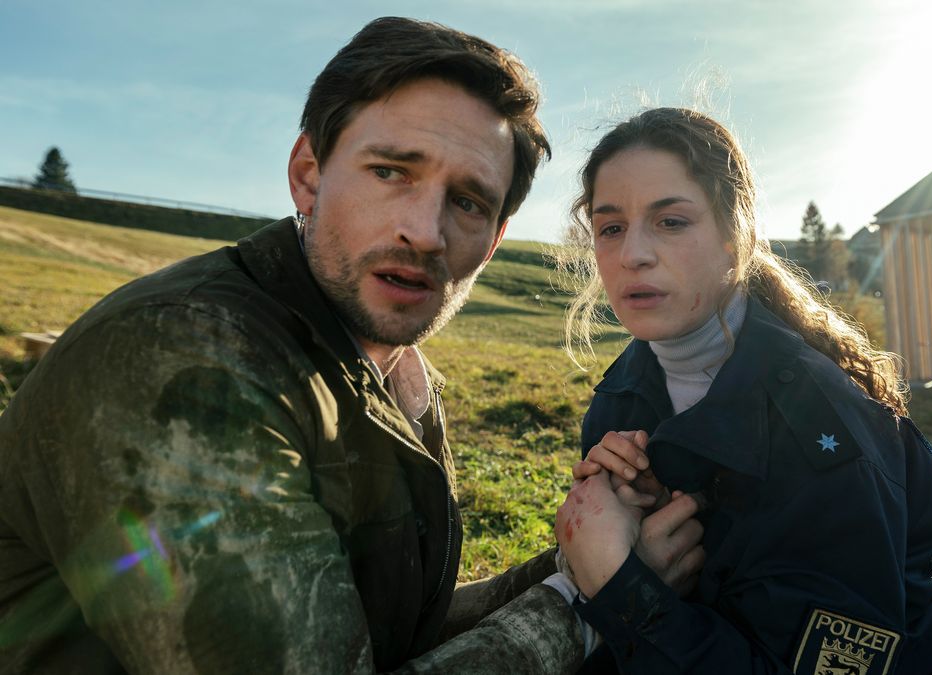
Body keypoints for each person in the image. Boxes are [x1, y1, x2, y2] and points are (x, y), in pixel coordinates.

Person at [0, 18, 702, 674]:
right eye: (391, 171)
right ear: (308, 173)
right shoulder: (182, 363)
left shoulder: (395, 369)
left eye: (467, 201)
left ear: (492, 240)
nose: (424, 232)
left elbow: (392, 628)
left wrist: (581, 565)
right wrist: (590, 603)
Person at [553, 107, 932, 673]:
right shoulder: (620, 395)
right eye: (611, 227)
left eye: (671, 221)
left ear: (735, 235)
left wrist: (619, 590)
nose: (632, 255)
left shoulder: (826, 430)